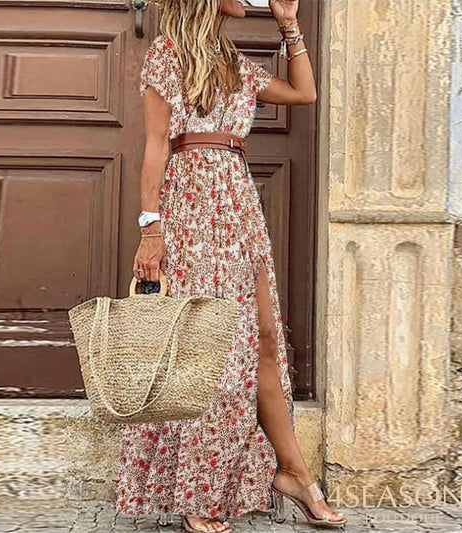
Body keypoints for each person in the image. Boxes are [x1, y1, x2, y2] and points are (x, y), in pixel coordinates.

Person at [116, 1, 346, 531]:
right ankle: (198, 490)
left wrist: (289, 25)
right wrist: (150, 228)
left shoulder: (234, 62)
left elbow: (304, 93)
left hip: (237, 203)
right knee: (205, 347)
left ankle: (293, 473)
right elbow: (155, 144)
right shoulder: (167, 53)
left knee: (264, 339)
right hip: (190, 203)